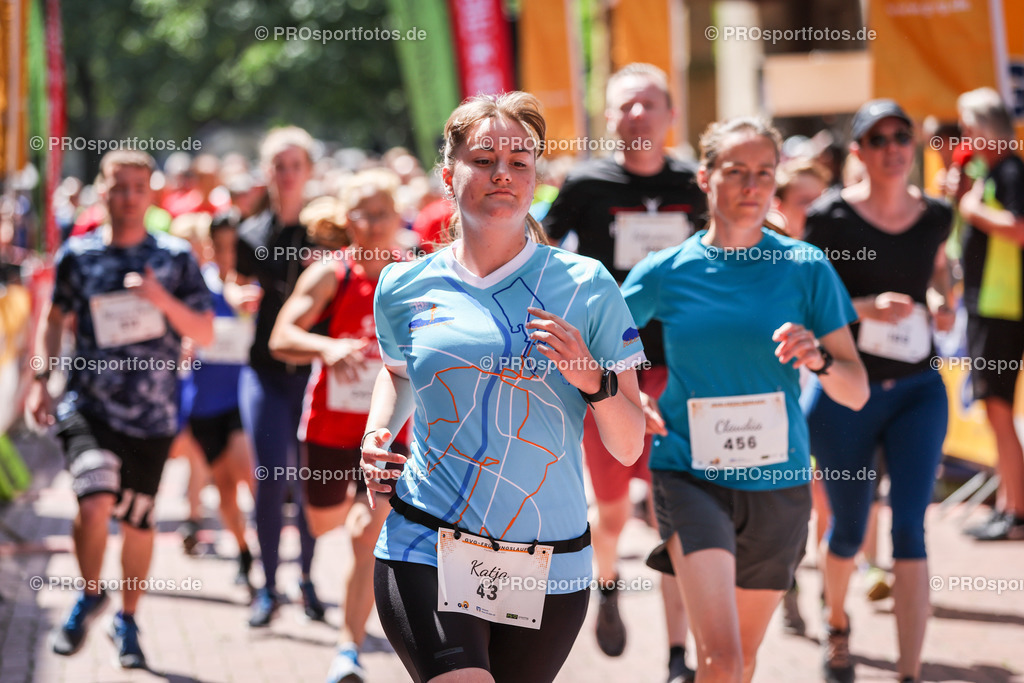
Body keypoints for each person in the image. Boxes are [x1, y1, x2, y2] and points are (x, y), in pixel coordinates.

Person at [361, 91, 646, 683]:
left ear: (536, 176)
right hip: (427, 538)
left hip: (549, 560)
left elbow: (627, 444)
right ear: (450, 173)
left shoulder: (586, 285)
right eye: (484, 158)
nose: (502, 174)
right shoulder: (402, 285)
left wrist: (588, 376)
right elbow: (397, 374)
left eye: (519, 161)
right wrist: (377, 434)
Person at [621, 117, 869, 683]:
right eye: (736, 172)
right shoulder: (665, 271)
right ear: (706, 178)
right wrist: (627, 396)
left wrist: (820, 360)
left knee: (743, 661)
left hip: (779, 483)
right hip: (689, 473)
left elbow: (854, 391)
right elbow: (593, 349)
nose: (751, 186)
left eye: (763, 172)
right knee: (722, 657)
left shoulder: (806, 268)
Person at [542, 62, 702, 679]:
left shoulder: (696, 183)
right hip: (609, 375)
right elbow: (542, 254)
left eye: (647, 104)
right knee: (609, 513)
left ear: (669, 115)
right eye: (624, 106)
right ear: (609, 118)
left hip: (679, 370)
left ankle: (678, 655)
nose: (637, 115)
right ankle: (607, 584)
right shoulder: (585, 184)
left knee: (671, 513)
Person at [28, 150, 214, 668]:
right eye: (118, 186)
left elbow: (203, 330)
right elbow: (52, 317)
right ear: (102, 191)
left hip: (152, 417)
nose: (128, 197)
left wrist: (160, 299)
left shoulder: (174, 258)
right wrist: (42, 378)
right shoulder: (78, 255)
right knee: (92, 501)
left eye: (138, 187)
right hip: (89, 405)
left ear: (150, 193)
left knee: (137, 524)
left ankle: (127, 618)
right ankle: (91, 593)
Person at [802, 99, 954, 683]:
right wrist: (866, 309)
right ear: (859, 151)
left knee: (911, 524)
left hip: (918, 387)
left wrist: (942, 301)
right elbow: (810, 307)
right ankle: (836, 624)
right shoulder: (830, 217)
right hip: (847, 393)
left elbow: (938, 269)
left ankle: (909, 672)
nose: (893, 148)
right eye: (879, 138)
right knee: (846, 528)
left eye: (902, 137)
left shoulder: (936, 213)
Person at [268, 169, 410, 683]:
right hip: (329, 426)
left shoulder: (413, 272)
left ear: (398, 217)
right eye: (363, 214)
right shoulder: (332, 273)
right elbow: (281, 335)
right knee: (324, 523)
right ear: (347, 220)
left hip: (392, 430)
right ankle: (347, 512)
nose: (374, 224)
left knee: (369, 533)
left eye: (383, 214)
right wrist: (327, 347)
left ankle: (347, 650)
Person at [233, 126, 324, 626]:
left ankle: (308, 580)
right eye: (278, 165)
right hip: (264, 372)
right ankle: (268, 587)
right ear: (266, 172)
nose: (287, 174)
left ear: (309, 171)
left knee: (310, 482)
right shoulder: (249, 234)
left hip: (313, 375)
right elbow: (234, 287)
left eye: (296, 165)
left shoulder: (328, 232)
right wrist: (235, 298)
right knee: (270, 478)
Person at [954, 87, 1024, 542]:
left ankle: (1015, 510)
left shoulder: (1011, 171)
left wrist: (972, 209)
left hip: (1002, 308)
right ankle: (1009, 505)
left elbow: (1018, 229)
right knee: (995, 410)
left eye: (966, 129)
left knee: (999, 410)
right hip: (993, 306)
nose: (963, 138)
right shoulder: (993, 171)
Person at [172, 211, 257, 586]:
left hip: (244, 400)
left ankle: (267, 554)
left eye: (233, 246)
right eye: (218, 246)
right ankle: (243, 552)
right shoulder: (197, 290)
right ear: (207, 248)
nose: (226, 254)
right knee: (224, 489)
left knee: (249, 473)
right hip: (205, 403)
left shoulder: (256, 288)